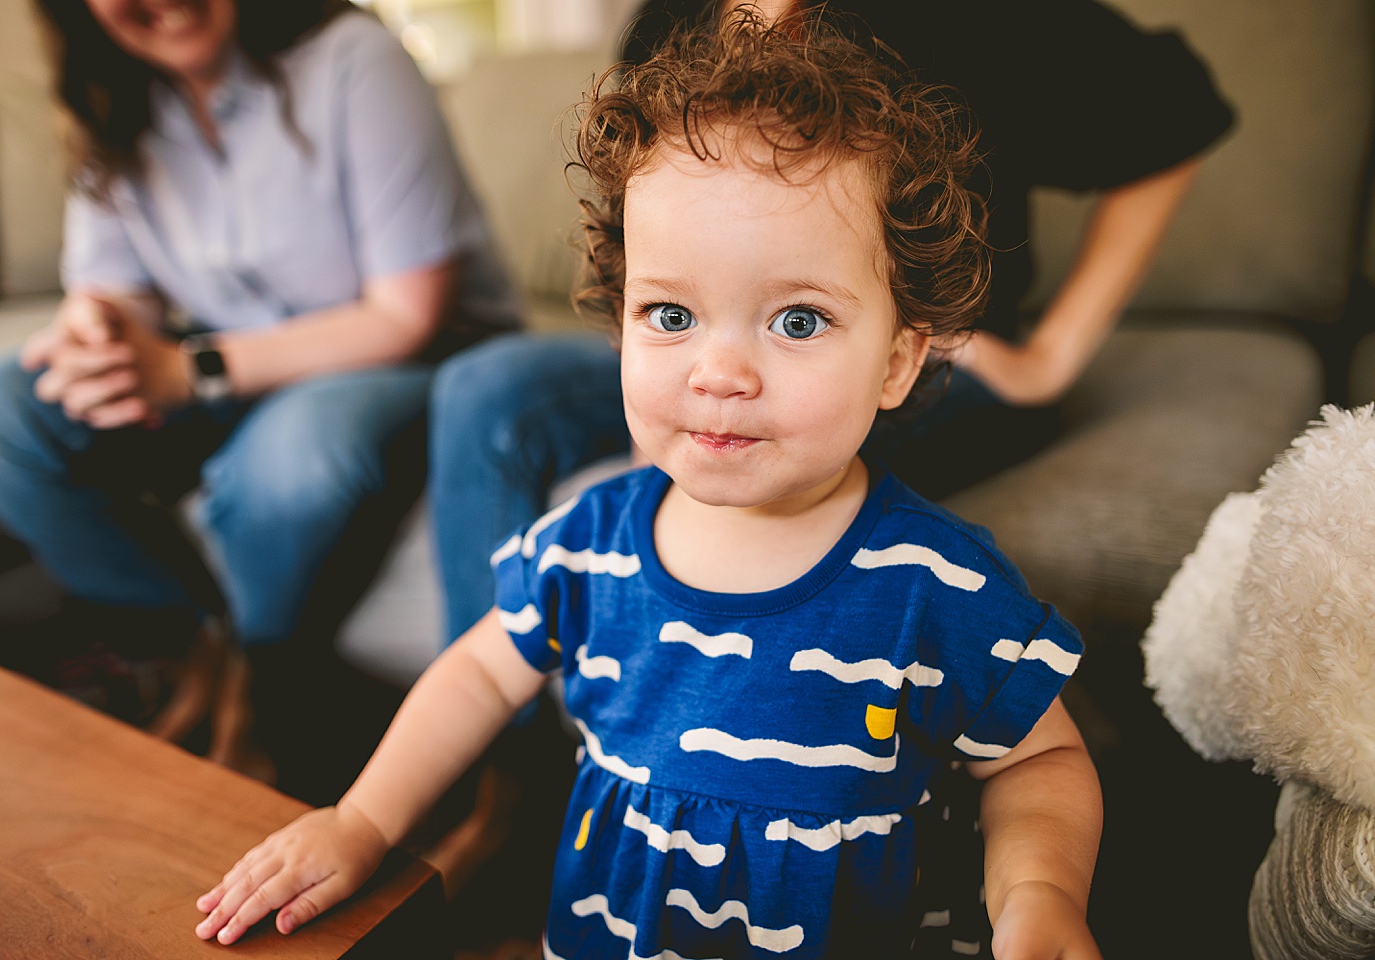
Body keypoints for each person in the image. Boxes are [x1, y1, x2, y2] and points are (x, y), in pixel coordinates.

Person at [194, 14, 1103, 958]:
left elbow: (1040, 760)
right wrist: (364, 822)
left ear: (899, 363)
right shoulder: (590, 541)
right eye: (671, 313)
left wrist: (1040, 892)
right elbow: (474, 673)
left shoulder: (936, 584)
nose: (720, 372)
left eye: (797, 321)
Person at [426, 0, 1234, 650]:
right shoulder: (666, 22)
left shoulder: (977, 16)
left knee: (767, 472)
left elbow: (1179, 106)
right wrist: (670, 364)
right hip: (718, 331)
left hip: (939, 358)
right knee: (483, 384)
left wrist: (1053, 355)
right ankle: (509, 773)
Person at [0, 0, 519, 776]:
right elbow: (112, 283)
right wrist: (95, 335)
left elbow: (404, 315)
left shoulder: (353, 58)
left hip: (408, 359)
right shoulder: (111, 95)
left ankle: (262, 687)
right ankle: (184, 647)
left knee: (289, 454)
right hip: (235, 364)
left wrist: (187, 370)